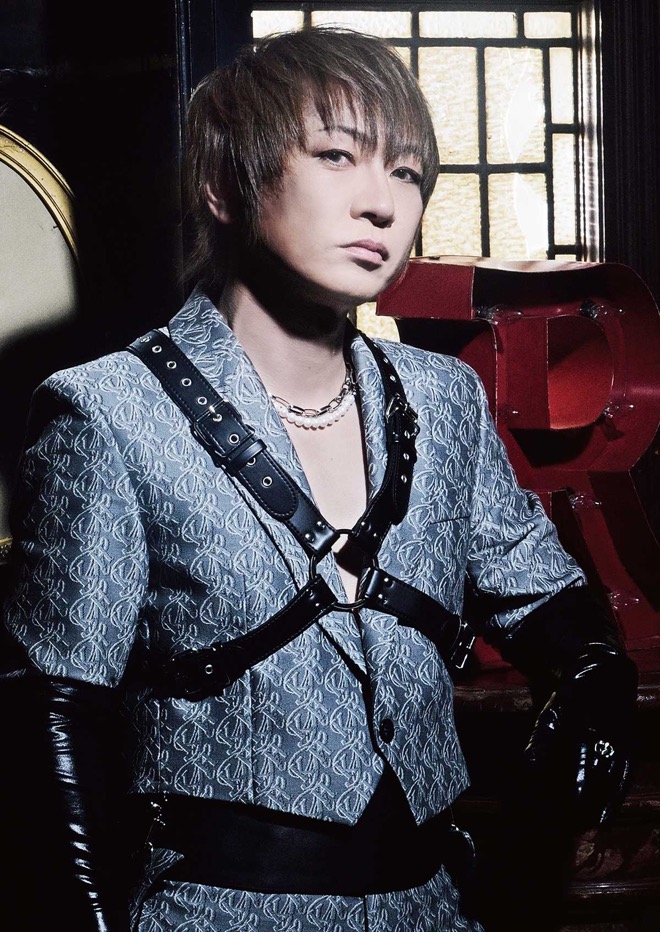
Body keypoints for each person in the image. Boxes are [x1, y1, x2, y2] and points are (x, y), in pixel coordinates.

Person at [1, 26, 637, 932]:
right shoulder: (109, 411)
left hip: (435, 907)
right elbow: (54, 713)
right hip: (220, 912)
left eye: (408, 173)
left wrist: (594, 676)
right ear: (225, 185)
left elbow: (542, 596)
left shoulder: (442, 399)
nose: (381, 203)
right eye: (337, 156)